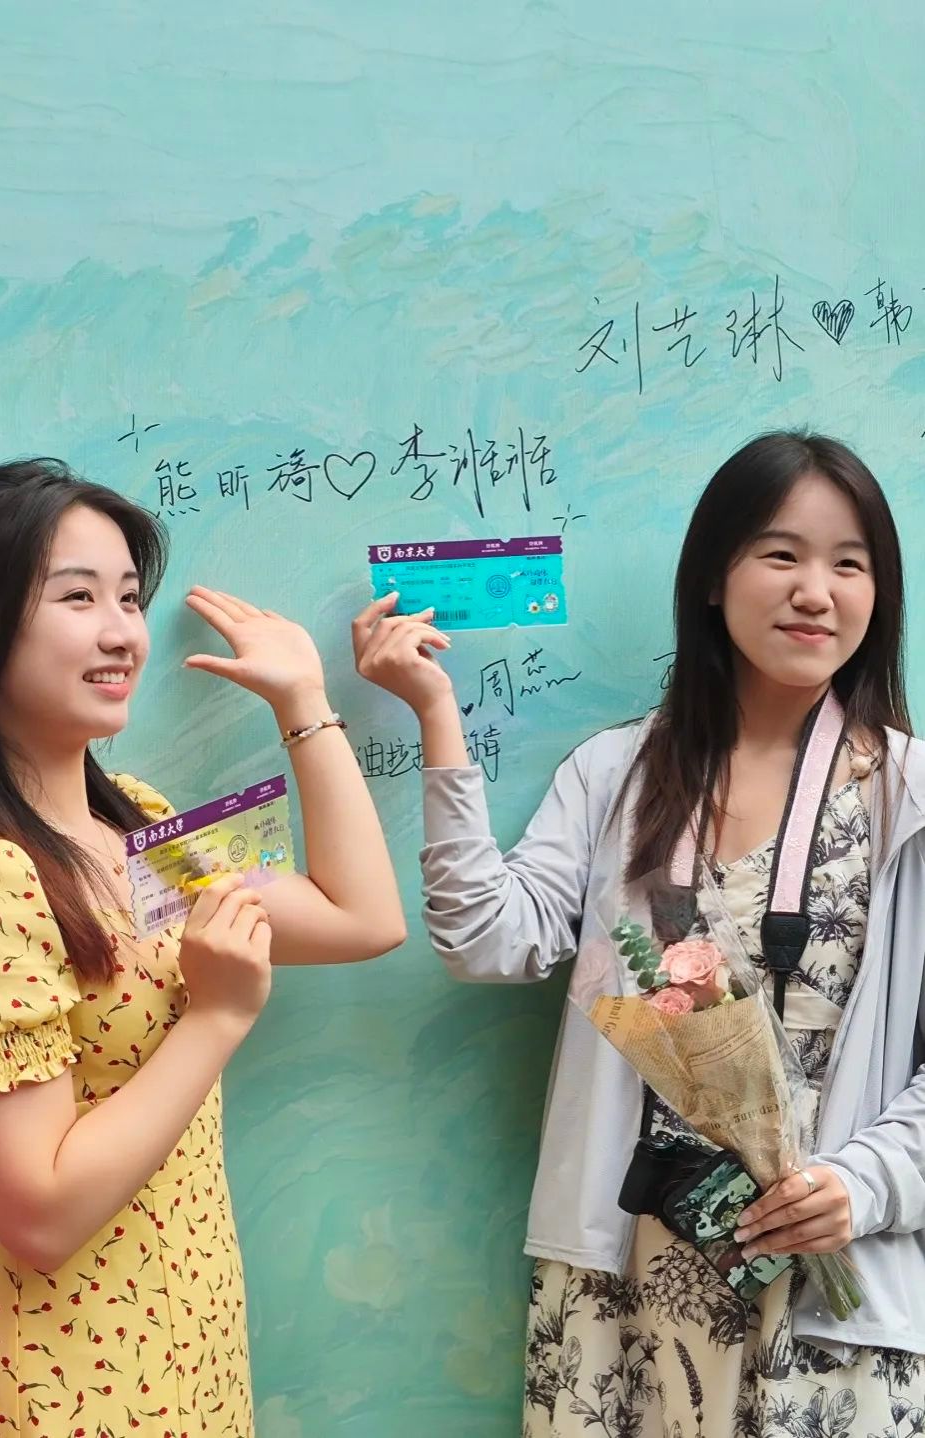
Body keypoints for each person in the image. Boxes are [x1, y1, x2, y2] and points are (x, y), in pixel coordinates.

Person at [354, 431, 925, 1435]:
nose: (815, 591)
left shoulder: (910, 799)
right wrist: (436, 714)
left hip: (830, 1286)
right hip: (624, 1285)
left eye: (850, 564)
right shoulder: (616, 774)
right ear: (712, 577)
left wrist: (864, 1183)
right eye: (780, 554)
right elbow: (487, 939)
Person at [0, 458, 406, 1437]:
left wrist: (302, 702)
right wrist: (216, 1018)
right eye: (76, 597)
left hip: (188, 1344)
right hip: (64, 1384)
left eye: (129, 597)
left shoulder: (137, 825)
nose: (121, 631)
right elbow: (37, 1217)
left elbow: (362, 916)